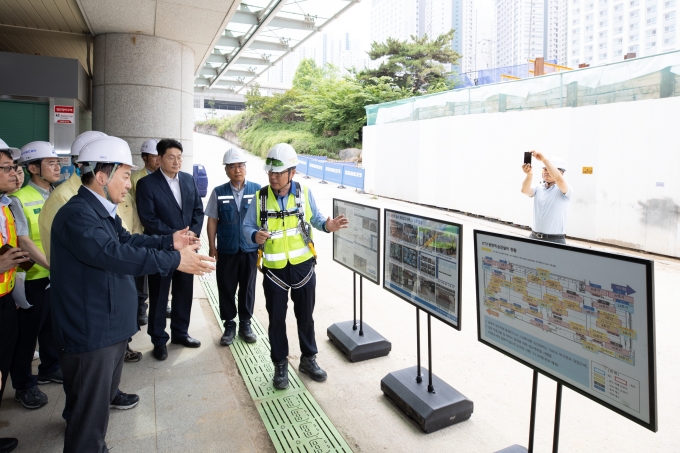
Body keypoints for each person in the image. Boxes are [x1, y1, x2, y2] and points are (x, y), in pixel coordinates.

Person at [50, 135, 214, 453]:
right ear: (102, 175)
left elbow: (128, 241)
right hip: (91, 334)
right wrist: (175, 260)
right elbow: (114, 255)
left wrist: (169, 242)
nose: (128, 184)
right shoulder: (78, 217)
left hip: (106, 328)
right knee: (86, 422)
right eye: (125, 175)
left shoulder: (100, 212)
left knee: (94, 416)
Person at [243, 143, 348, 389]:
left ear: (292, 172)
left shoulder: (304, 193)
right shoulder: (260, 198)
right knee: (277, 319)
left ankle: (308, 359)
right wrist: (253, 235)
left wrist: (328, 226)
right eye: (270, 172)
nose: (273, 177)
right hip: (274, 271)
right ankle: (280, 364)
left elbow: (318, 219)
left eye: (278, 173)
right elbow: (247, 226)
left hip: (303, 268)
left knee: (305, 317)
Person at [136, 138, 204, 361]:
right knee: (159, 294)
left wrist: (192, 232)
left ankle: (180, 333)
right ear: (159, 158)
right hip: (162, 248)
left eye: (179, 157)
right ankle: (158, 339)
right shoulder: (147, 184)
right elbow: (149, 219)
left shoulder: (188, 180)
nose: (177, 161)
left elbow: (197, 210)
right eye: (171, 157)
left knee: (184, 291)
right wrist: (175, 237)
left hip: (187, 249)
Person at [9, 141, 62, 411]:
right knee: (27, 334)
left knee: (51, 326)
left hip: (55, 275)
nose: (57, 167)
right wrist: (52, 266)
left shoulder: (57, 193)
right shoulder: (19, 198)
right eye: (50, 163)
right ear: (32, 168)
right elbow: (23, 240)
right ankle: (23, 385)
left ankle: (50, 367)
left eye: (57, 162)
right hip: (32, 277)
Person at [206, 148, 260, 346]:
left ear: (246, 168)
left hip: (249, 249)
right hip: (227, 249)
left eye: (240, 166)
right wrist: (212, 246)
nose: (237, 170)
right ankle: (229, 324)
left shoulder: (257, 190)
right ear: (226, 170)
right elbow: (212, 220)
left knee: (247, 287)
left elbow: (264, 220)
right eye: (232, 167)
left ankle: (246, 323)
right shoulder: (218, 192)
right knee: (226, 286)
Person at [0, 139, 30, 453]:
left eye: (15, 167)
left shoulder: (8, 205)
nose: (14, 174)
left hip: (6, 297)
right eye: (7, 168)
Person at [130, 139, 160, 326]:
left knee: (159, 270)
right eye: (154, 156)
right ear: (144, 158)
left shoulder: (164, 178)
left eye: (159, 156)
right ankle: (141, 308)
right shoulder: (135, 179)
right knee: (141, 273)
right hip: (140, 231)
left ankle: (161, 303)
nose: (157, 160)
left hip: (158, 233)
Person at [521, 151, 572, 244]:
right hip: (534, 237)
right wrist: (529, 175)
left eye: (549, 169)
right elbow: (524, 190)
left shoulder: (565, 189)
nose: (546, 171)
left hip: (555, 240)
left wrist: (544, 160)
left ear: (562, 173)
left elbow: (559, 179)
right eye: (544, 169)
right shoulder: (538, 187)